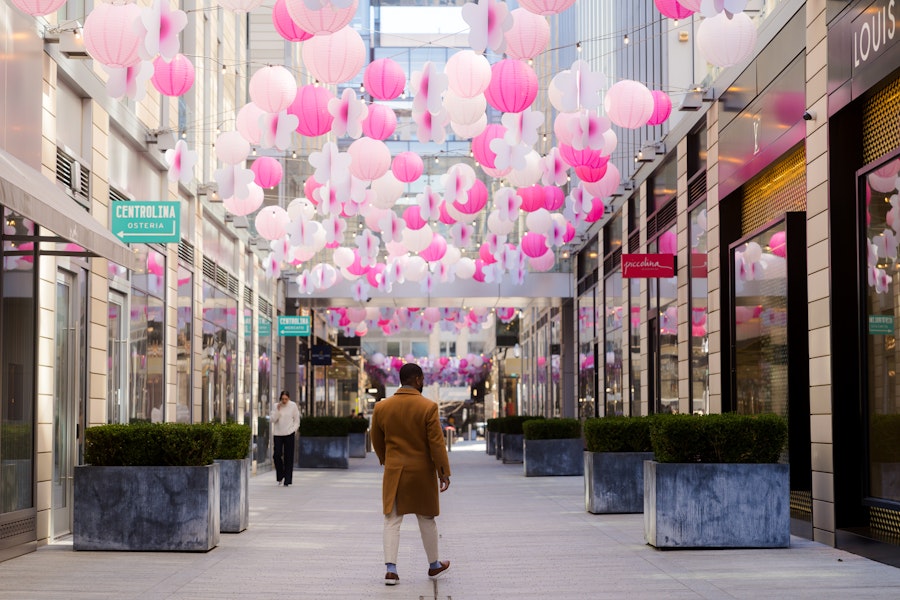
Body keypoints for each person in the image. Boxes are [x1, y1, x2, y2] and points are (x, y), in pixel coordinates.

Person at [371, 363, 451, 586]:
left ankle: (391, 570)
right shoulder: (428, 407)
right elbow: (436, 443)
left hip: (395, 471)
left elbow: (376, 440)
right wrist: (443, 472)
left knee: (392, 520)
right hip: (421, 473)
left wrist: (387, 460)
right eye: (422, 379)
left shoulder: (381, 407)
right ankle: (434, 565)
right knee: (426, 518)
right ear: (417, 379)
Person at [270, 390, 300, 487]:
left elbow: (297, 421)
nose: (284, 401)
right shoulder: (276, 406)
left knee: (288, 456)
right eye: (282, 399)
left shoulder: (293, 406)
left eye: (286, 399)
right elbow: (272, 420)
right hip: (278, 434)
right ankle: (280, 476)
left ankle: (287, 480)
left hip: (289, 434)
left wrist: (292, 430)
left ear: (289, 398)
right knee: (276, 455)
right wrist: (278, 411)